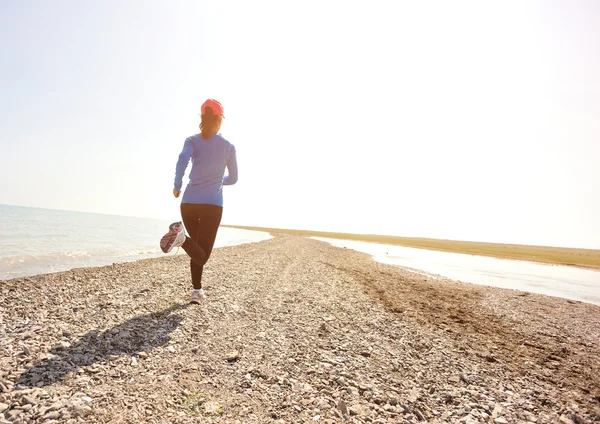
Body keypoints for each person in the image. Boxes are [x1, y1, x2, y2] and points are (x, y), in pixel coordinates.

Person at [160, 99, 238, 304]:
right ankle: (181, 239)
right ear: (220, 120)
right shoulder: (228, 147)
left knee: (197, 249)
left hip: (189, 203)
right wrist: (218, 180)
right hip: (212, 205)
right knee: (201, 253)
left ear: (202, 118)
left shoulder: (192, 140)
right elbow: (234, 178)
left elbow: (182, 160)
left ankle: (197, 291)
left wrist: (177, 186)